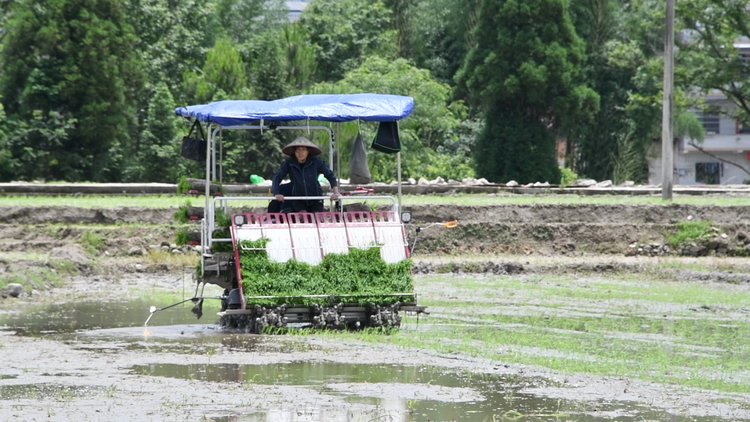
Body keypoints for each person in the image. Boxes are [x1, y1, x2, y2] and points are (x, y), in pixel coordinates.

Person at [271, 136, 340, 213]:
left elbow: (330, 176)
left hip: (316, 198)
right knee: (303, 216)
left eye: (303, 149)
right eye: (298, 150)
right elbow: (277, 177)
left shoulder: (316, 161)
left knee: (316, 217)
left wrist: (336, 193)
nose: (301, 153)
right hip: (298, 199)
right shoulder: (289, 163)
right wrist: (276, 193)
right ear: (294, 152)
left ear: (308, 151)